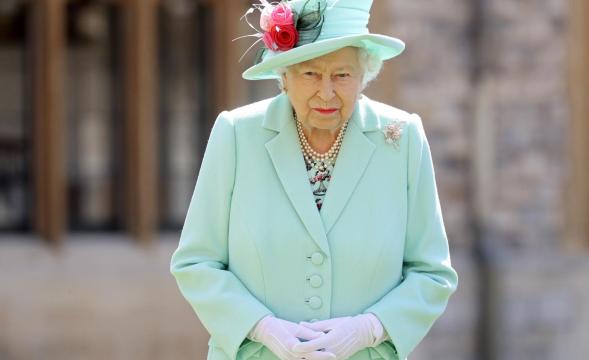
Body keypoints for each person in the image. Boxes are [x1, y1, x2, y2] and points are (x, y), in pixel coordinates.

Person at [170, 1, 458, 360]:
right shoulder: (236, 135)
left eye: (342, 75)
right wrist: (262, 328)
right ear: (284, 76)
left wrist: (369, 329)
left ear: (364, 75)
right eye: (310, 74)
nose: (326, 92)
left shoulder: (400, 139)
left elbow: (431, 273)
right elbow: (196, 262)